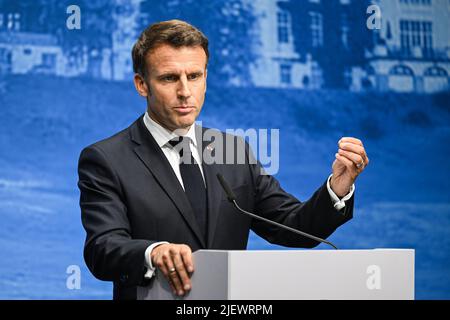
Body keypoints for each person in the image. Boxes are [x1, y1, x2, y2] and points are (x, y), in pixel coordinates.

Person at [78, 19, 369, 300]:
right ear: (142, 84)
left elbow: (296, 228)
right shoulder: (106, 159)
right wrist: (152, 253)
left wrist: (338, 188)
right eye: (169, 78)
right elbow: (102, 248)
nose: (185, 91)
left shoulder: (234, 151)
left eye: (194, 76)